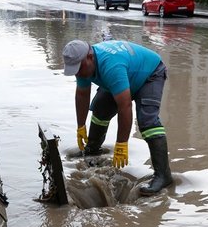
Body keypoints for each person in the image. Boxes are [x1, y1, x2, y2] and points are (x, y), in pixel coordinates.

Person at [63, 39, 173, 195]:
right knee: (101, 107)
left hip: (149, 74)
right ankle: (93, 150)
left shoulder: (111, 66)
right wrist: (81, 126)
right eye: (74, 70)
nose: (78, 73)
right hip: (126, 76)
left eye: (79, 68)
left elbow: (125, 106)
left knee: (147, 122)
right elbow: (82, 94)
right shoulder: (82, 65)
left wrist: (122, 143)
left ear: (90, 57)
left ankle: (163, 175)